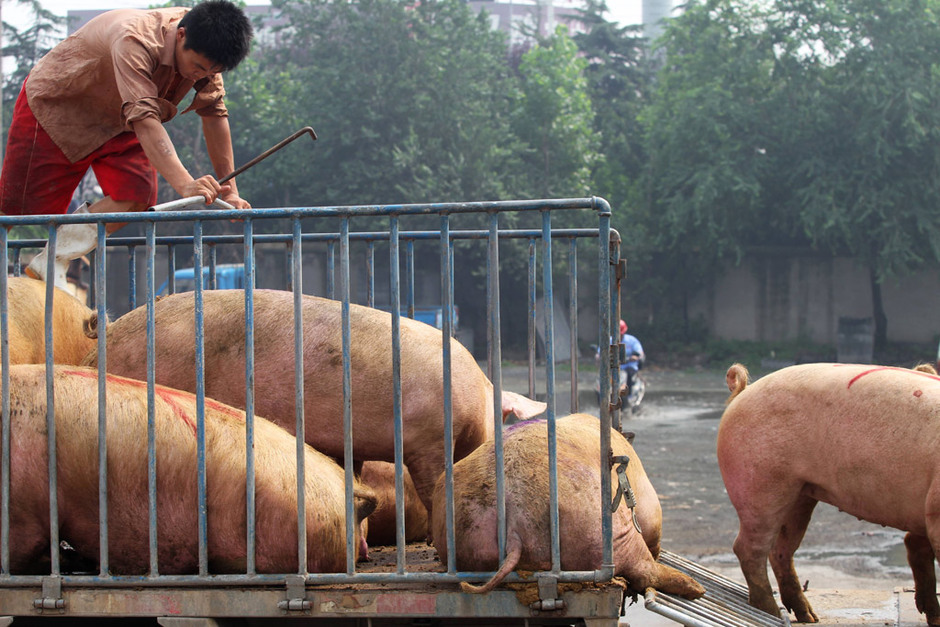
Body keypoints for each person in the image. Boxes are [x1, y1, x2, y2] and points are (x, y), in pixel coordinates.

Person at [0, 0, 254, 289]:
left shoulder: (207, 48)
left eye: (209, 71)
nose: (200, 75)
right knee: (15, 213)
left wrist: (231, 191)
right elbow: (145, 119)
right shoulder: (135, 39)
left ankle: (53, 258)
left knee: (136, 196)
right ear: (181, 35)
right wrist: (186, 184)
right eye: (197, 67)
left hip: (121, 121)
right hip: (57, 111)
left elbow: (214, 115)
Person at [619, 319, 645, 397]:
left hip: (629, 366)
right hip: (615, 367)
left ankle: (628, 395)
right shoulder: (609, 341)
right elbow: (601, 352)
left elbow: (640, 352)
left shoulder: (632, 341)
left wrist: (635, 357)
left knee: (629, 375)